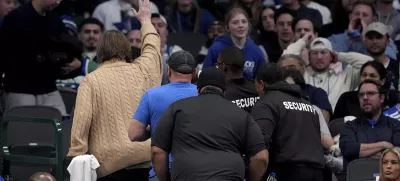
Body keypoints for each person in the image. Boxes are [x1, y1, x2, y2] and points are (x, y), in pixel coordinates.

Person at [67, 0, 162, 180]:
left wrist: (75, 156)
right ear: (127, 48)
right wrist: (146, 21)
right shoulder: (142, 70)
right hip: (146, 158)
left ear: (100, 51)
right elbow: (152, 48)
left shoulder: (91, 80)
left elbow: (81, 125)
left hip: (110, 166)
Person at [151, 67, 268, 181]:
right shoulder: (241, 114)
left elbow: (158, 151)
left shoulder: (177, 108)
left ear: (198, 89)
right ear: (224, 90)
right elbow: (261, 157)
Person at [0, 0, 82, 115]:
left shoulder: (55, 20)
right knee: (23, 130)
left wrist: (76, 62)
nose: (58, 2)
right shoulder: (15, 19)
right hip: (19, 89)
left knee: (60, 123)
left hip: (48, 88)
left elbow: (70, 48)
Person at [128, 50, 198, 181]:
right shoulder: (203, 95)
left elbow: (134, 134)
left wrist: (156, 129)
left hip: (161, 171)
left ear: (169, 70)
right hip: (196, 171)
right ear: (195, 73)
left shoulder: (151, 95)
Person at [251, 63, 325, 181]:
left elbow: (259, 145)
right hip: (317, 173)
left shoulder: (265, 104)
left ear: (261, 84)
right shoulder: (308, 105)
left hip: (286, 172)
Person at [340, 80, 400, 164]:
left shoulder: (396, 125)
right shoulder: (349, 126)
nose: (365, 97)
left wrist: (362, 153)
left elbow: (397, 154)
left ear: (382, 98)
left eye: (371, 93)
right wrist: (383, 145)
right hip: (359, 175)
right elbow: (348, 150)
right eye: (361, 95)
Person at [203, 7, 266, 80]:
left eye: (244, 21)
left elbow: (262, 81)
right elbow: (205, 76)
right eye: (235, 22)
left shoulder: (257, 52)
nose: (240, 25)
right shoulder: (216, 49)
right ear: (227, 27)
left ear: (248, 25)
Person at [333, 61, 400, 119]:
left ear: (382, 81)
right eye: (364, 75)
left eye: (372, 76)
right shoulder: (347, 98)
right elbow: (335, 126)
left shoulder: (395, 98)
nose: (367, 78)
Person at [217, 46, 259, 112]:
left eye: (218, 64)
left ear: (224, 66)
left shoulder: (220, 95)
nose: (217, 68)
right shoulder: (257, 89)